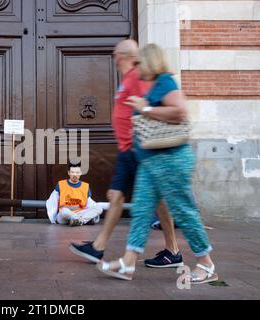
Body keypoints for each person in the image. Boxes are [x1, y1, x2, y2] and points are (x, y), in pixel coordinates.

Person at [96, 43, 217, 284]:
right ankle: (128, 263)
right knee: (141, 212)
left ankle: (206, 263)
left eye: (139, 62)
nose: (135, 67)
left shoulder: (165, 82)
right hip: (150, 161)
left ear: (149, 62)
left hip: (171, 160)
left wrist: (146, 109)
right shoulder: (151, 85)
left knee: (183, 211)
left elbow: (180, 112)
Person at [69, 39, 183, 268]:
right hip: (127, 150)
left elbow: (151, 103)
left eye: (115, 54)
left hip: (138, 149)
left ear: (121, 56)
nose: (114, 58)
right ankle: (98, 248)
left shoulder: (137, 76)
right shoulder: (128, 78)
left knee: (155, 201)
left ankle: (171, 251)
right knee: (117, 196)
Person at [46, 162, 103, 226]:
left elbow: (90, 204)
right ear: (69, 173)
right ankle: (83, 220)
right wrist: (53, 218)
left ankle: (78, 221)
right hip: (64, 215)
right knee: (64, 211)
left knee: (99, 208)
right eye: (72, 172)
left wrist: (93, 211)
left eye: (77, 172)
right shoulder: (60, 185)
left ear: (81, 173)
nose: (74, 175)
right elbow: (52, 201)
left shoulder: (85, 186)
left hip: (79, 212)